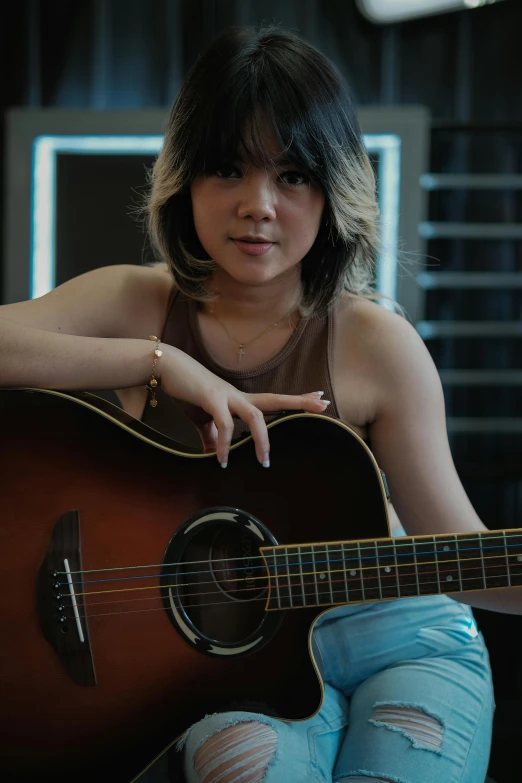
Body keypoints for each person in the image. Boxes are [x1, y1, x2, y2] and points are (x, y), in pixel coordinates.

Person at [1, 23, 518, 783]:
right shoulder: (134, 301)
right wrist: (162, 362)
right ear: (187, 178)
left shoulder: (379, 343)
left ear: (334, 184)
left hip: (400, 639)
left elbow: (461, 552)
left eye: (293, 175)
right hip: (225, 654)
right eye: (227, 170)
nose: (258, 205)